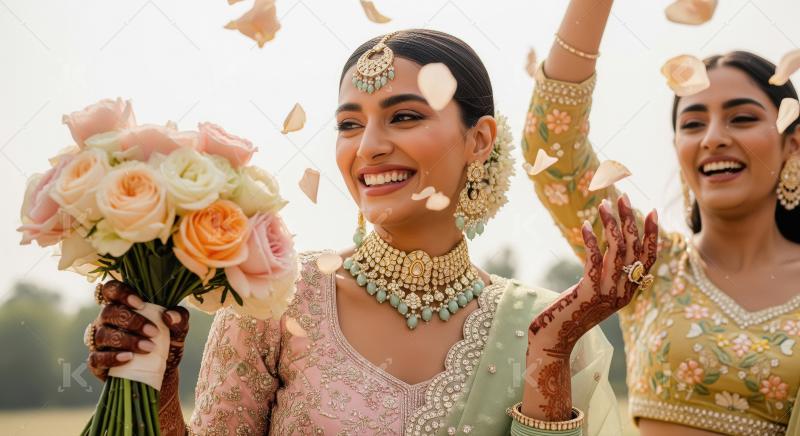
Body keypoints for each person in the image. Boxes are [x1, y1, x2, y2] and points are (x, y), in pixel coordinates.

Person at [85, 28, 658, 435]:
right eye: (349, 124)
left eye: (404, 116)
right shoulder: (275, 302)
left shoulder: (546, 326)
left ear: (479, 139)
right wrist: (154, 380)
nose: (369, 146)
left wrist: (550, 352)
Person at [522, 1, 800, 435]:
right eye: (692, 124)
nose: (713, 138)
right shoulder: (646, 263)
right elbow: (554, 153)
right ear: (677, 148)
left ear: (793, 144)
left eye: (742, 118)